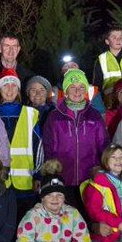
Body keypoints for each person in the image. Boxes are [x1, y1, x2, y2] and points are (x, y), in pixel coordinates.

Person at [43, 69, 108, 209]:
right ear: (66, 90)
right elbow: (48, 147)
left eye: (81, 87)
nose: (77, 91)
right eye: (72, 87)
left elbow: (104, 145)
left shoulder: (94, 116)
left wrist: (103, 170)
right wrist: (51, 171)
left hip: (89, 178)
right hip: (63, 178)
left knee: (89, 218)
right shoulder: (54, 116)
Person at [0, 69, 42, 211]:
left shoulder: (30, 113)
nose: (10, 89)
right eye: (5, 85)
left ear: (19, 89)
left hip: (25, 184)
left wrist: (38, 176)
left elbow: (38, 147)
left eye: (13, 85)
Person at [90, 27, 122, 94]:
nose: (118, 40)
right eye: (114, 37)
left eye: (121, 37)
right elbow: (97, 85)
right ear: (107, 41)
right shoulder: (101, 59)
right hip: (109, 100)